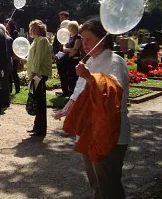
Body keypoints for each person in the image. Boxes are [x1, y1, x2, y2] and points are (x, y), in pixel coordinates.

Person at [53, 17, 130, 199]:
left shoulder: (115, 62)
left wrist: (89, 78)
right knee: (96, 184)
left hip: (108, 132)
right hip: (88, 131)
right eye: (83, 39)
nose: (84, 44)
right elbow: (79, 93)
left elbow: (112, 95)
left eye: (88, 40)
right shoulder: (90, 62)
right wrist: (66, 110)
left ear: (102, 38)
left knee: (108, 186)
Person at [26, 19, 52, 137]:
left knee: (40, 101)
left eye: (35, 27)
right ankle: (37, 126)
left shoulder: (42, 40)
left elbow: (38, 59)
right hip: (36, 74)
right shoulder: (36, 40)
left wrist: (33, 74)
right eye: (32, 28)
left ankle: (40, 129)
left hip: (39, 74)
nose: (33, 30)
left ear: (41, 29)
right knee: (38, 100)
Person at [59, 20, 82, 96]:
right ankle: (68, 92)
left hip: (74, 59)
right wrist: (69, 50)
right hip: (68, 59)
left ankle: (73, 93)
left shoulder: (78, 37)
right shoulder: (69, 37)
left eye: (70, 27)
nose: (68, 29)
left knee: (73, 77)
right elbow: (64, 48)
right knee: (68, 76)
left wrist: (68, 50)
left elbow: (75, 49)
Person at [5, 19, 21, 94]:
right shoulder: (4, 32)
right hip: (8, 55)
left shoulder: (14, 32)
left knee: (14, 72)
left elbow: (13, 42)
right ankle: (9, 89)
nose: (6, 24)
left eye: (7, 23)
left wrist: (7, 35)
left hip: (14, 55)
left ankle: (17, 89)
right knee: (8, 73)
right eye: (5, 23)